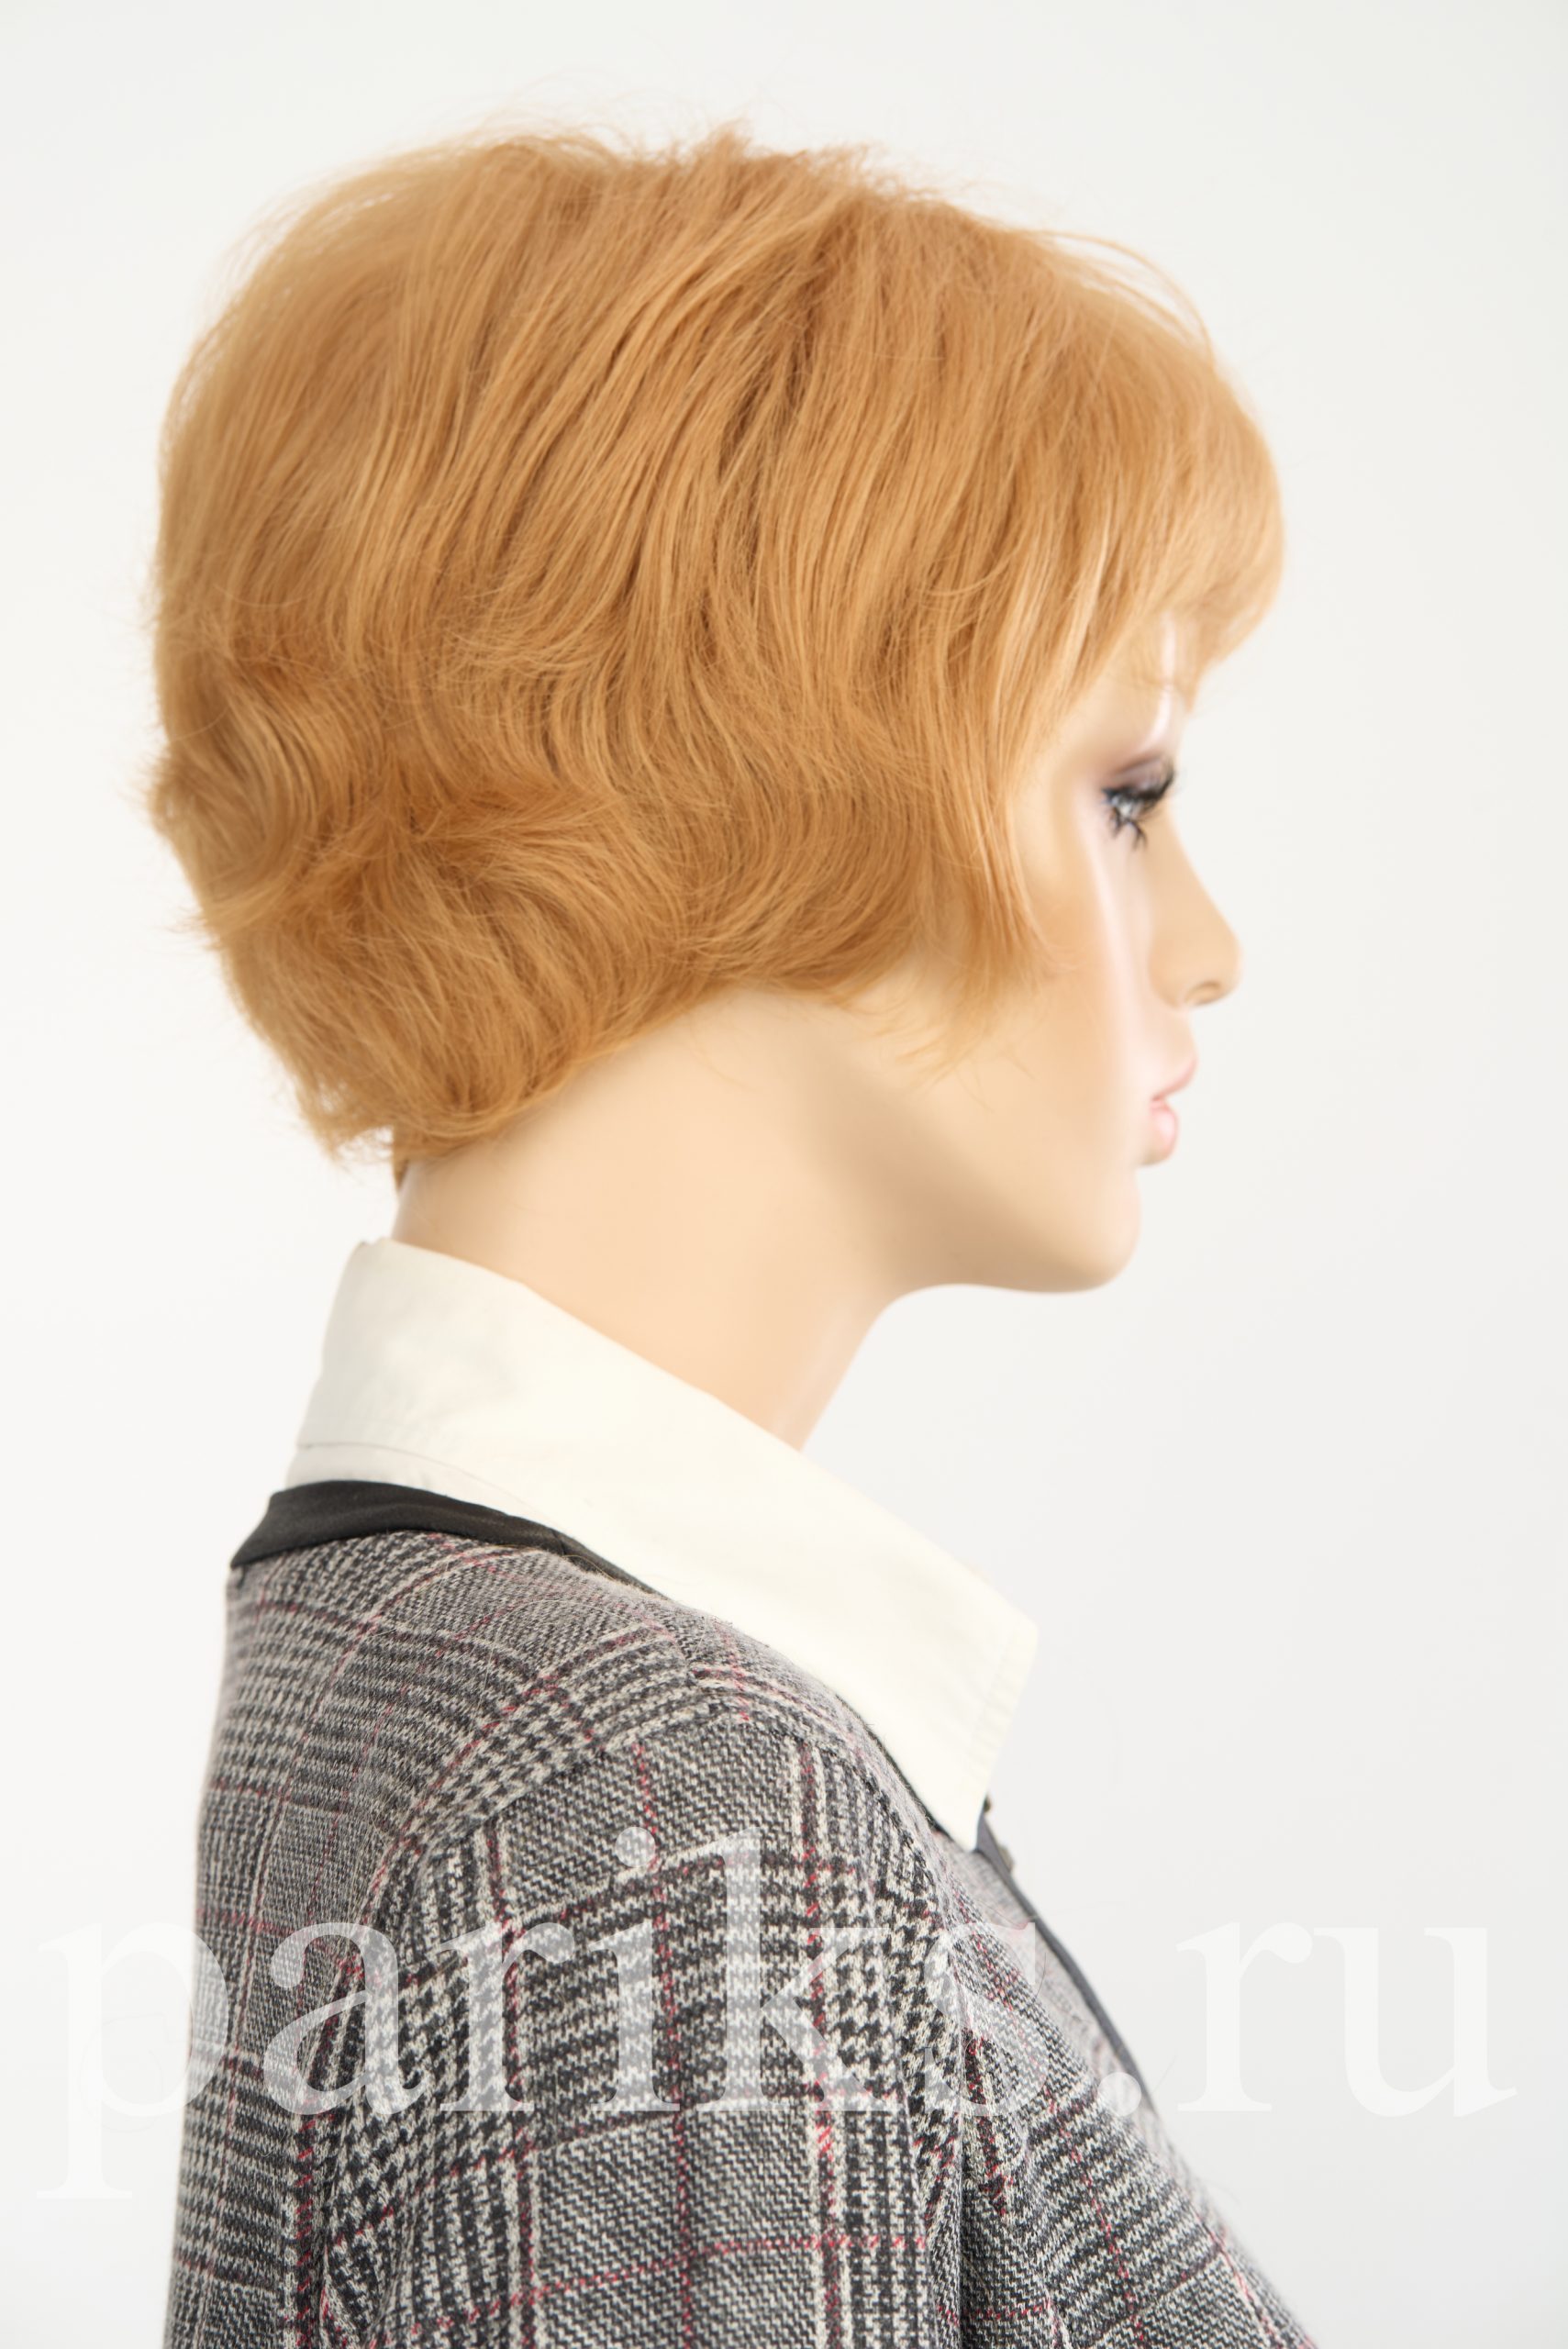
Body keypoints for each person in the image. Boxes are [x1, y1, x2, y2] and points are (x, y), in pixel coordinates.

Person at [142, 117, 1314, 2346]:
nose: (1209, 941)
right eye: (1128, 795)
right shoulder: (656, 1795)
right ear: (765, 804)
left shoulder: (460, 1658)